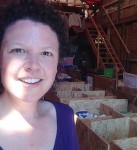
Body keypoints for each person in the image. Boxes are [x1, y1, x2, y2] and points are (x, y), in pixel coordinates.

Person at [0, 0, 80, 150]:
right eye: (19, 50)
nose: (33, 65)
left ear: (57, 64)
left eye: (46, 53)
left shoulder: (65, 117)